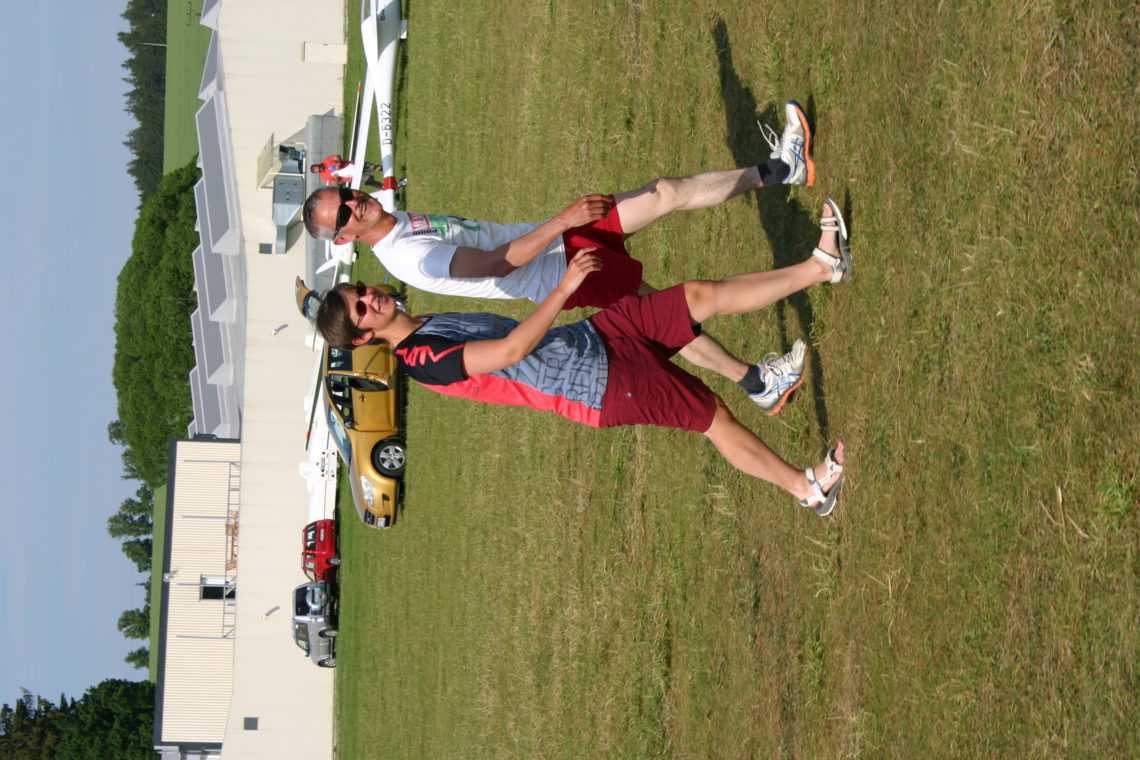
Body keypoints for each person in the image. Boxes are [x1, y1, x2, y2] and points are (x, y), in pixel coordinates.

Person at [315, 198, 852, 516]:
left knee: (697, 296)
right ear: (363, 338)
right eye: (362, 309)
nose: (370, 298)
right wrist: (566, 285)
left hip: (593, 338)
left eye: (361, 291)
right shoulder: (422, 359)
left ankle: (822, 266)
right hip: (596, 386)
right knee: (712, 416)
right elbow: (511, 350)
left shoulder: (425, 322)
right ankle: (807, 488)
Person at [303, 101, 816, 414]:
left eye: (345, 195)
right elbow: (496, 265)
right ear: (343, 239)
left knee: (663, 194)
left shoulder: (393, 222)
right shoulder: (409, 259)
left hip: (554, 239)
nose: (353, 203)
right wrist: (561, 222)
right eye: (343, 214)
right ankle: (757, 380)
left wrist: (555, 226)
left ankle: (780, 170)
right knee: (667, 313)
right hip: (559, 266)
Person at [310, 154, 382, 186]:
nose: (321, 169)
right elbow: (334, 182)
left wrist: (338, 163)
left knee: (374, 167)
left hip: (353, 165)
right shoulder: (324, 177)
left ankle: (384, 169)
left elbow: (337, 156)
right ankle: (384, 187)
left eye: (320, 167)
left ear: (319, 164)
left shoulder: (326, 160)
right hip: (352, 177)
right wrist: (336, 178)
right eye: (320, 170)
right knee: (370, 181)